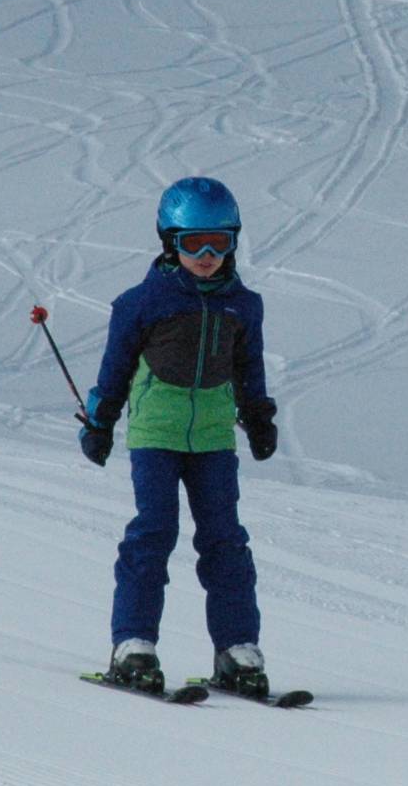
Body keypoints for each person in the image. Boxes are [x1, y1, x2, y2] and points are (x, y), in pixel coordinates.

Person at [79, 177, 278, 698]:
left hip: (213, 438)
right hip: (156, 434)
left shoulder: (244, 306)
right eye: (194, 244)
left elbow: (248, 369)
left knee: (225, 541)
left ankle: (237, 650)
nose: (208, 256)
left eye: (220, 242)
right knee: (154, 532)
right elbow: (115, 367)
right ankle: (134, 645)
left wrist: (258, 416)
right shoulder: (143, 303)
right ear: (170, 242)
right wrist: (100, 421)